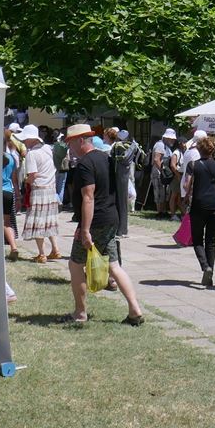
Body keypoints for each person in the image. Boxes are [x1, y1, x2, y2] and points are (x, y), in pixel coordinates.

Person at [63, 123, 145, 326]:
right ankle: (135, 310)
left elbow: (88, 198)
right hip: (111, 217)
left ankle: (80, 313)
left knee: (75, 265)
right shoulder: (105, 158)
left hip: (96, 221)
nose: (69, 147)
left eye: (70, 143)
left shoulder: (85, 164)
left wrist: (84, 230)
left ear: (81, 140)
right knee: (113, 265)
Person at [182, 130, 215, 287]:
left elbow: (186, 185)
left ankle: (205, 267)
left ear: (198, 149)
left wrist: (187, 194)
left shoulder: (193, 165)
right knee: (211, 241)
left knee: (197, 239)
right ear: (212, 150)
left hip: (199, 205)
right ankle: (210, 274)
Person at [15, 126, 61, 262]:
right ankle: (55, 249)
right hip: (51, 188)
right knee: (50, 221)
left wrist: (25, 181)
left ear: (30, 139)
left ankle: (42, 254)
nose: (24, 142)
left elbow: (33, 175)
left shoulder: (31, 154)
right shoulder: (47, 148)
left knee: (39, 222)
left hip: (39, 190)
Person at [0, 128, 22, 260]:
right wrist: (18, 195)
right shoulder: (12, 158)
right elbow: (14, 179)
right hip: (8, 191)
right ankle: (14, 246)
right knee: (7, 222)